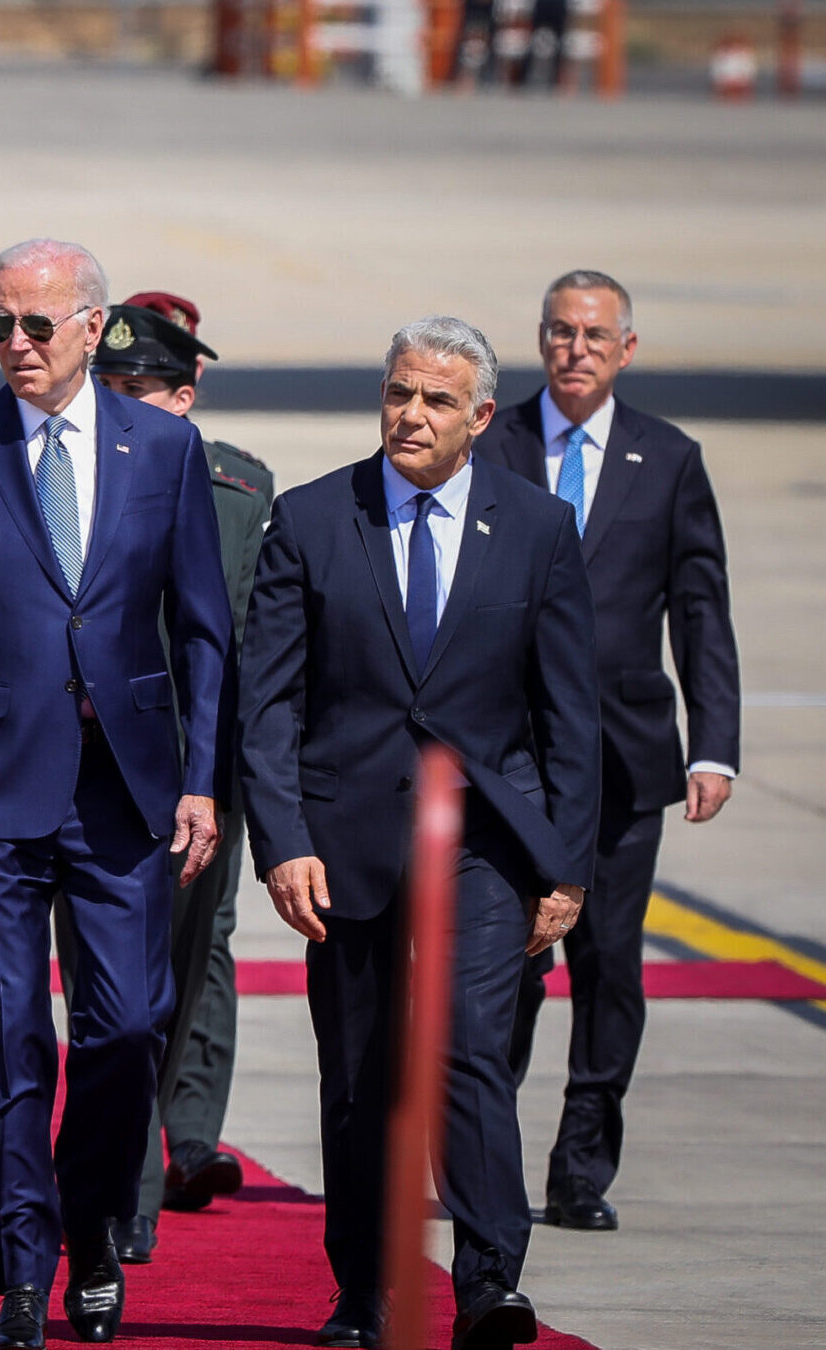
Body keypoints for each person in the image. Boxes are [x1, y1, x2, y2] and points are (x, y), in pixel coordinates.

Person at [0, 239, 233, 1349]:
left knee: (125, 1029)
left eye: (36, 325)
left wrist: (203, 783)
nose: (16, 346)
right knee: (14, 1039)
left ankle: (92, 1235)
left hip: (125, 791)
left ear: (92, 326)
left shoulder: (163, 450)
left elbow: (203, 633)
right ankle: (23, 1277)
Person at [239, 317, 600, 1350]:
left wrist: (562, 871)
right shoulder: (310, 519)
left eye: (436, 400)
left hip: (483, 845)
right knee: (356, 1077)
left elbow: (566, 715)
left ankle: (488, 1284)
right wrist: (283, 842)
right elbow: (268, 705)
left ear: (479, 418)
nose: (410, 414)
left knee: (466, 1053)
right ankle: (365, 1295)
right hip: (343, 846)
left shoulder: (535, 528)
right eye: (399, 392)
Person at [481, 270, 740, 1233]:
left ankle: (580, 1168)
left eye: (593, 334)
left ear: (624, 349)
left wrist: (714, 743)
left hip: (628, 760)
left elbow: (700, 610)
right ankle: (485, 1152)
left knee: (608, 966)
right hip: (514, 762)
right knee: (505, 961)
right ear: (539, 341)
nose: (574, 349)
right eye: (558, 332)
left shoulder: (667, 459)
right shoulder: (492, 442)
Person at [86, 293, 273, 1265]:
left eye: (141, 390)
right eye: (107, 385)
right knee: (114, 989)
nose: (121, 403)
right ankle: (130, 1190)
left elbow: (254, 644)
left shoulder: (239, 490)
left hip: (204, 774)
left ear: (187, 395)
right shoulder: (69, 478)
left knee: (196, 959)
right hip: (96, 772)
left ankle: (180, 1136)